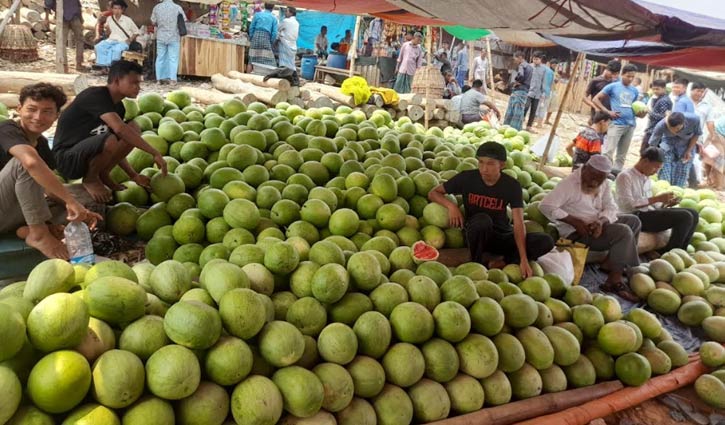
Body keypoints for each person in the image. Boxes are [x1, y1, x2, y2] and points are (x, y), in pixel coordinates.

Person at [0, 83, 102, 259]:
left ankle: (31, 228)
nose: (38, 117)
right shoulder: (7, 129)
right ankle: (39, 233)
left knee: (86, 199)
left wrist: (78, 208)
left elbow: (47, 188)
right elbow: (30, 163)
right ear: (19, 109)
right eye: (31, 109)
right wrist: (70, 201)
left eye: (47, 111)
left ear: (56, 116)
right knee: (25, 163)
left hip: (10, 212)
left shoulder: (42, 145)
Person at [428, 142, 554, 273]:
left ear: (502, 165)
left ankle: (503, 262)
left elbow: (518, 223)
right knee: (482, 220)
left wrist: (523, 258)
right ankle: (476, 264)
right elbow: (433, 193)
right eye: (481, 162)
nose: (484, 169)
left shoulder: (512, 185)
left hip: (502, 236)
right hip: (476, 235)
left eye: (490, 163)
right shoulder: (467, 178)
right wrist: (451, 206)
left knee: (546, 240)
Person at [53, 60, 167, 203]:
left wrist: (133, 175)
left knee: (133, 128)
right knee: (116, 136)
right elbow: (118, 131)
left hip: (88, 155)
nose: (138, 88)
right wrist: (154, 152)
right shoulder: (95, 96)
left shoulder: (119, 107)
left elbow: (120, 144)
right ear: (117, 80)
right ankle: (91, 179)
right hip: (66, 159)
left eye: (139, 83)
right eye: (134, 83)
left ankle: (103, 173)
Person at [540, 155, 641, 301]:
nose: (595, 181)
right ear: (585, 168)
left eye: (600, 178)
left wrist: (601, 222)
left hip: (595, 224)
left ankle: (612, 264)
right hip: (577, 233)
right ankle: (614, 280)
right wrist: (574, 222)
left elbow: (611, 207)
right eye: (592, 176)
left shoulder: (604, 184)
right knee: (623, 232)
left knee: (634, 221)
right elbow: (545, 205)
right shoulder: (569, 184)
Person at [615, 147, 698, 253]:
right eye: (655, 168)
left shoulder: (646, 178)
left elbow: (651, 205)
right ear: (645, 161)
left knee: (693, 213)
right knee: (685, 217)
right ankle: (669, 252)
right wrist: (656, 199)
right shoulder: (625, 176)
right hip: (635, 217)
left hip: (648, 214)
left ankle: (682, 250)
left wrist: (665, 204)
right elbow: (627, 204)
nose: (656, 172)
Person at [593, 64, 641, 172]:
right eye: (628, 76)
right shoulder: (613, 86)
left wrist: (640, 114)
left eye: (633, 77)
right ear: (622, 74)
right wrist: (608, 112)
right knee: (608, 151)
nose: (630, 79)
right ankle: (603, 172)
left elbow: (633, 106)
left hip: (630, 125)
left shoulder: (634, 91)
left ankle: (615, 173)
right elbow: (596, 99)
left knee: (622, 154)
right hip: (617, 123)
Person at [648, 112, 702, 187]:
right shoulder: (661, 125)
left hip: (687, 145)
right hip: (668, 145)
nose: (674, 132)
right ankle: (664, 191)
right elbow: (652, 144)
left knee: (682, 172)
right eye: (671, 129)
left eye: (677, 129)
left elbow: (696, 134)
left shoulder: (694, 120)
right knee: (664, 168)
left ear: (683, 123)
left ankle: (677, 192)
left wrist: (689, 150)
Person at [94, 0, 138, 68]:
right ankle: (103, 67)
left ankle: (113, 68)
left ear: (122, 10)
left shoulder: (127, 20)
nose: (117, 11)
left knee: (115, 50)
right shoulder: (109, 19)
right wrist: (107, 28)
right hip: (111, 40)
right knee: (99, 46)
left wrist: (130, 40)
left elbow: (136, 32)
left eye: (119, 8)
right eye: (115, 8)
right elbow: (108, 33)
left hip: (122, 41)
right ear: (112, 9)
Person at [45, 0, 85, 72]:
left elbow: (48, 3)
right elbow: (78, 4)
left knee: (62, 42)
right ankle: (78, 64)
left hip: (63, 16)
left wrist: (46, 18)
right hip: (73, 16)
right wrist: (81, 18)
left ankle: (65, 65)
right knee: (79, 40)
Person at [151, 0, 185, 84]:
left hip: (161, 36)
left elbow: (153, 21)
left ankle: (159, 79)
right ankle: (172, 79)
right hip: (174, 36)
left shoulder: (157, 7)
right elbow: (184, 20)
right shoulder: (178, 8)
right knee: (173, 58)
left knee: (160, 57)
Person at [689, 81, 716, 188]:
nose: (699, 93)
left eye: (701, 91)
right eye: (697, 91)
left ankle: (694, 182)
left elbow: (710, 122)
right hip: (681, 136)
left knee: (694, 159)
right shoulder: (684, 102)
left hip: (697, 137)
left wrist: (713, 135)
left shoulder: (707, 107)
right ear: (691, 91)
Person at [639, 79, 672, 155]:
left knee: (646, 152)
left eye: (657, 89)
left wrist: (649, 112)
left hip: (655, 131)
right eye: (653, 89)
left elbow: (663, 118)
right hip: (653, 130)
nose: (655, 91)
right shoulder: (658, 98)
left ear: (664, 88)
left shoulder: (664, 100)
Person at [583, 60, 621, 124]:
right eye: (611, 73)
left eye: (615, 74)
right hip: (598, 114)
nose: (613, 76)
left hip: (611, 116)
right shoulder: (596, 81)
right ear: (607, 69)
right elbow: (584, 97)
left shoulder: (616, 82)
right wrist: (595, 107)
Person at [503, 51, 533, 131]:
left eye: (515, 58)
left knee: (512, 110)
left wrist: (516, 81)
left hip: (519, 89)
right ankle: (517, 129)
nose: (515, 60)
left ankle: (509, 128)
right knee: (520, 111)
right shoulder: (530, 67)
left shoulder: (522, 65)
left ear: (520, 57)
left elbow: (521, 75)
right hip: (525, 90)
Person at [247, 2, 278, 68]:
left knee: (251, 59)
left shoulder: (257, 15)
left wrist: (251, 38)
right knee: (269, 61)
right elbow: (274, 33)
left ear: (264, 6)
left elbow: (251, 27)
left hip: (256, 36)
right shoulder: (274, 18)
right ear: (273, 8)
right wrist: (271, 42)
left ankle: (248, 75)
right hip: (266, 39)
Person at [524, 51, 546, 132]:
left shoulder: (544, 69)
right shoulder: (529, 66)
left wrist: (543, 93)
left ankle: (529, 126)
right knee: (525, 107)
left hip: (537, 93)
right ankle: (520, 121)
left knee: (534, 110)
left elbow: (543, 81)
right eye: (534, 59)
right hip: (528, 91)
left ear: (540, 59)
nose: (535, 61)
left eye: (537, 59)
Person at [703, 117, 725, 189]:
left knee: (711, 158)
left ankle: (711, 181)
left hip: (714, 131)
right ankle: (719, 185)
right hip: (718, 133)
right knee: (719, 160)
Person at [534, 57, 555, 128]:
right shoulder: (551, 72)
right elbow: (552, 84)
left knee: (537, 107)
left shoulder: (540, 69)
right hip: (548, 92)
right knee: (543, 108)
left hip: (540, 92)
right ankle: (539, 124)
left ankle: (534, 121)